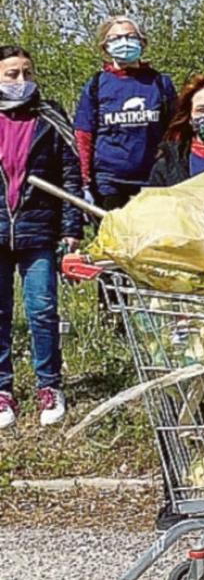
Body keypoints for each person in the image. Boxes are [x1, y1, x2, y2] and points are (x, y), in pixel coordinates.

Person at [0, 46, 84, 429]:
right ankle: (3, 390)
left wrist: (71, 228)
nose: (21, 81)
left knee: (42, 310)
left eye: (27, 73)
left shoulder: (49, 118)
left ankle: (49, 385)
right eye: (11, 74)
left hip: (39, 232)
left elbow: (70, 178)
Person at [73, 15, 177, 210]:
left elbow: (176, 130)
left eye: (130, 36)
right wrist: (84, 179)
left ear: (142, 42)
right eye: (116, 38)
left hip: (153, 179)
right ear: (105, 47)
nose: (124, 42)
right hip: (109, 182)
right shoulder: (96, 85)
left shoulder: (160, 83)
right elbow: (83, 135)